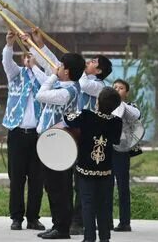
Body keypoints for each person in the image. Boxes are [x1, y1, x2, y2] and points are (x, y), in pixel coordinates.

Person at [35, 52, 85, 240]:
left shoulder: (68, 91)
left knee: (60, 186)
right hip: (49, 141)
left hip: (59, 143)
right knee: (52, 185)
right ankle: (57, 224)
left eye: (61, 66)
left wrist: (53, 76)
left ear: (67, 71)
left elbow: (40, 94)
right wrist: (55, 75)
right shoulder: (63, 86)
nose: (58, 68)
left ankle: (62, 227)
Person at [63, 87, 123, 242]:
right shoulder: (117, 122)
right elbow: (116, 140)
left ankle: (89, 238)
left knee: (87, 205)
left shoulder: (86, 115)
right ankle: (105, 238)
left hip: (85, 171)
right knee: (104, 206)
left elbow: (68, 118)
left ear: (98, 101)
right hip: (105, 172)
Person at [2, 30, 46, 232]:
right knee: (17, 178)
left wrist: (36, 66)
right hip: (18, 133)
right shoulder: (16, 74)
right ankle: (16, 217)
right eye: (26, 56)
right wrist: (9, 45)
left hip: (38, 135)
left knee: (37, 179)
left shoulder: (42, 76)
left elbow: (46, 83)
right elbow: (6, 63)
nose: (28, 58)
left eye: (32, 55)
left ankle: (33, 217)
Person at [71, 54, 113, 234]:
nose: (89, 62)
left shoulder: (99, 86)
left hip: (88, 139)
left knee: (83, 182)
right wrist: (40, 45)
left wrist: (80, 67)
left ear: (100, 70)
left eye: (94, 62)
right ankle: (75, 220)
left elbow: (84, 85)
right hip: (77, 133)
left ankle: (80, 221)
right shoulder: (83, 79)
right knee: (76, 181)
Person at [111, 79, 142, 232]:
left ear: (126, 92)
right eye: (114, 87)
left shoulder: (131, 107)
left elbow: (135, 116)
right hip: (106, 150)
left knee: (122, 187)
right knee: (105, 187)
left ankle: (125, 222)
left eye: (121, 88)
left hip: (121, 151)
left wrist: (117, 101)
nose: (117, 90)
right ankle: (105, 220)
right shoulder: (105, 107)